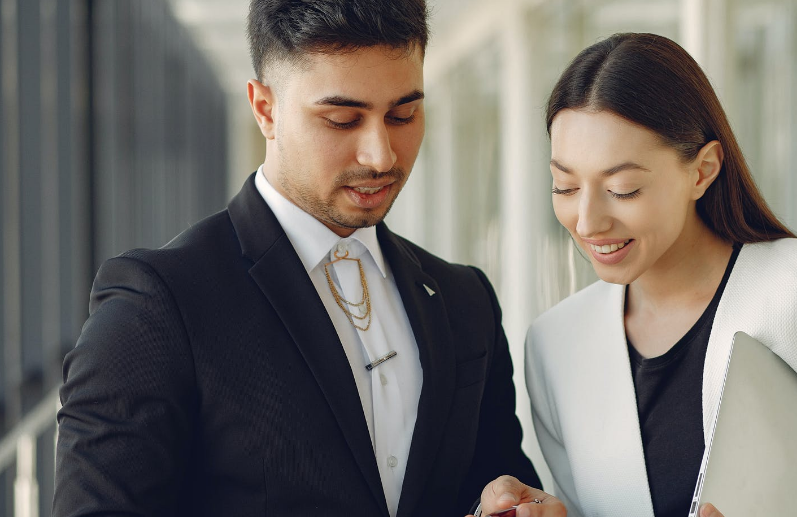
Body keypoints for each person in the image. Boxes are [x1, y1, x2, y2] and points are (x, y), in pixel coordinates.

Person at [52, 1, 552, 516]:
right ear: (265, 109)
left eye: (403, 114)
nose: (381, 155)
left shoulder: (464, 301)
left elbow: (494, 478)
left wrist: (512, 503)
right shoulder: (156, 305)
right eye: (342, 120)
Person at [516, 32, 797, 517]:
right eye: (564, 186)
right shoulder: (555, 345)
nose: (587, 222)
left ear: (703, 170)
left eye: (623, 189)